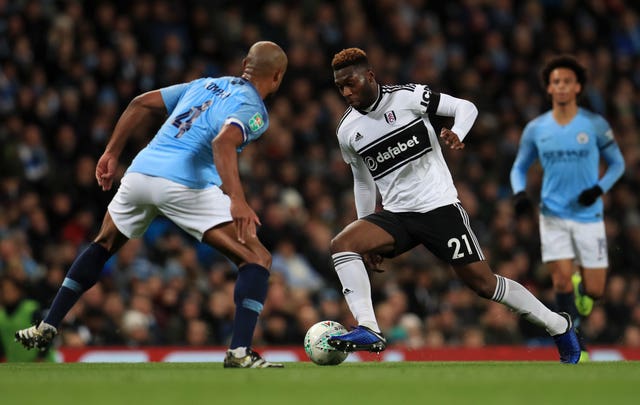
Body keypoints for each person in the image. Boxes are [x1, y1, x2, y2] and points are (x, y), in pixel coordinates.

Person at [15, 41, 288, 368]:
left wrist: (112, 152)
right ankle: (240, 352)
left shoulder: (203, 84)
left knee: (103, 244)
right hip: (183, 182)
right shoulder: (252, 107)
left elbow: (140, 103)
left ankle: (48, 324)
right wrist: (238, 199)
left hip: (141, 173)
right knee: (257, 257)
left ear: (245, 63)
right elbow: (223, 142)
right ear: (277, 78)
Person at [326, 47, 581, 364]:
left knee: (483, 284)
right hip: (397, 215)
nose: (347, 92)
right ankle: (369, 329)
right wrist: (365, 231)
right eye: (341, 87)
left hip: (439, 208)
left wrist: (457, 132)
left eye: (352, 83)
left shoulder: (408, 97)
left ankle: (558, 325)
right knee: (343, 244)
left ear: (370, 76)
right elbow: (363, 181)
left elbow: (466, 107)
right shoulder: (348, 131)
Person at [510, 55, 625, 361]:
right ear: (549, 88)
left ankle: (584, 289)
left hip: (589, 215)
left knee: (596, 290)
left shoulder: (595, 125)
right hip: (553, 215)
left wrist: (598, 189)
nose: (561, 87)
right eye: (556, 82)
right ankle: (577, 344)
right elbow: (519, 167)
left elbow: (617, 164)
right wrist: (520, 193)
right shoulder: (537, 128)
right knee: (559, 280)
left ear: (577, 87)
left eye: (567, 82)